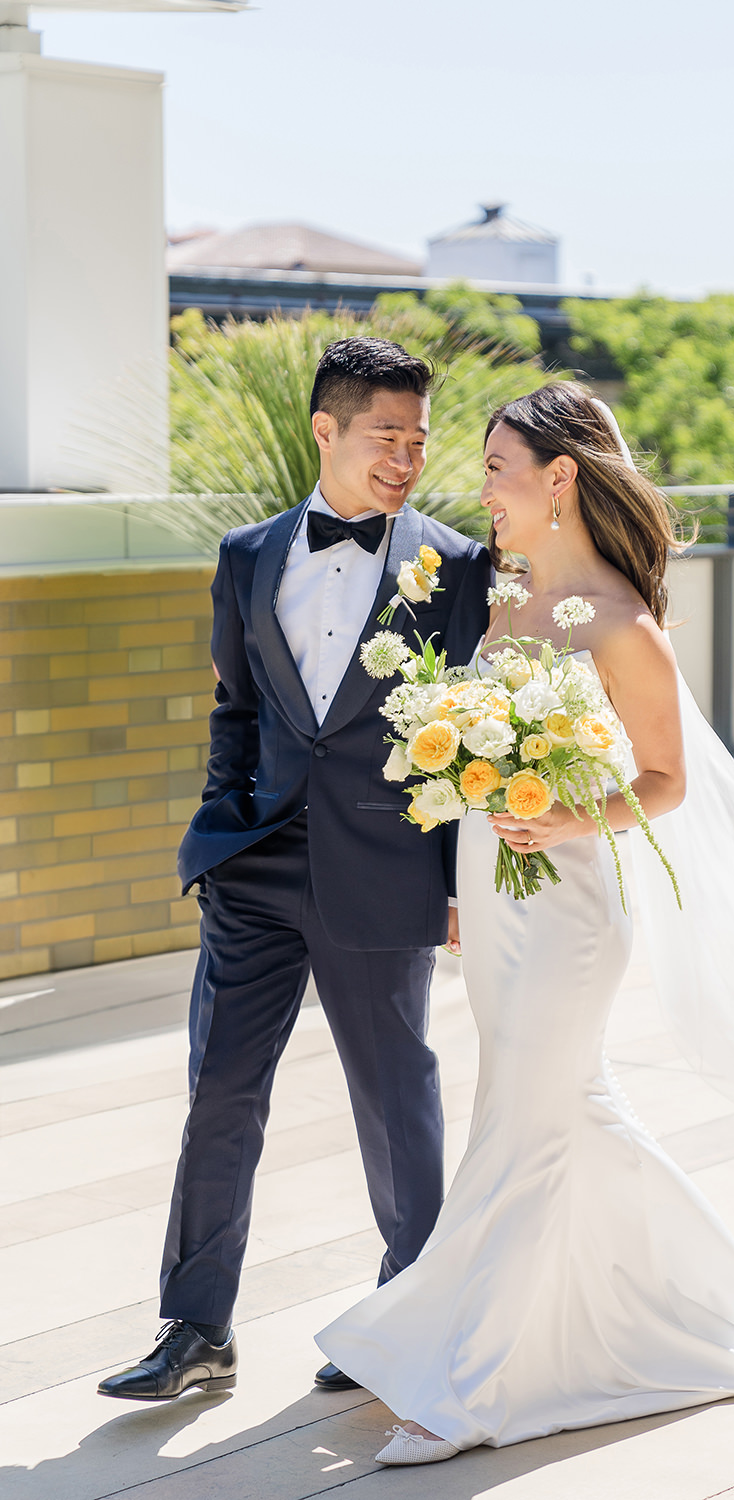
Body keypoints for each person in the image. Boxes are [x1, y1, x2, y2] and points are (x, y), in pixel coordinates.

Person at [315, 381, 734, 1466]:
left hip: (573, 901)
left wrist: (560, 811)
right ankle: (702, 1296)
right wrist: (469, 850)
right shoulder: (503, 603)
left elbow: (666, 781)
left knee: (529, 1121)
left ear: (559, 478)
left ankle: (467, 1385)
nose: (480, 488)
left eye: (497, 468)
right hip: (497, 891)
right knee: (559, 1106)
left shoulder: (625, 626)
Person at [98, 337, 491, 1402]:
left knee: (392, 1092)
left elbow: (468, 729)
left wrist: (455, 882)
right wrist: (220, 827)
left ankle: (406, 1315)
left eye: (419, 437)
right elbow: (237, 708)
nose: (407, 455)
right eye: (385, 435)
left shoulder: (456, 567)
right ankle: (195, 1328)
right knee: (219, 1090)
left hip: (383, 870)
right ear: (326, 429)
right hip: (254, 866)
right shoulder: (244, 553)